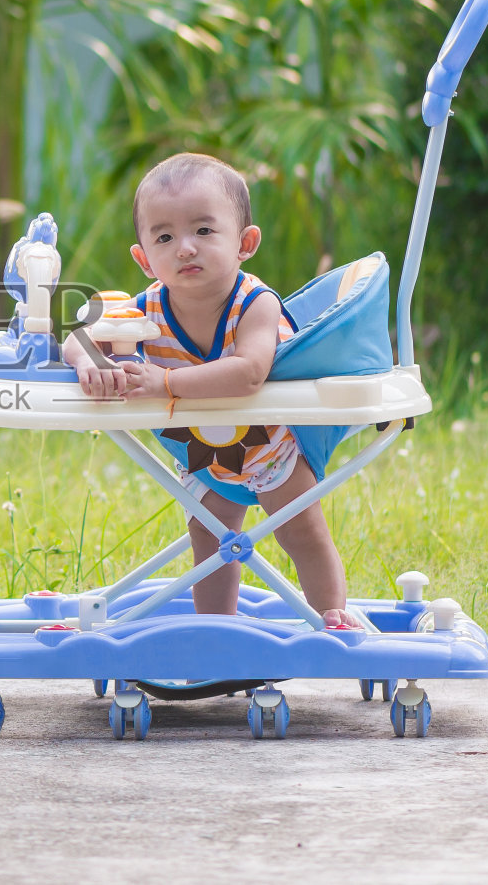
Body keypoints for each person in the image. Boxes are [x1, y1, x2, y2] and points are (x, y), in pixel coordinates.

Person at [62, 152, 361, 628]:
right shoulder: (147, 308)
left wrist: (166, 384)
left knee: (302, 534)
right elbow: (75, 338)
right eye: (164, 236)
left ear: (245, 242)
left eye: (203, 231)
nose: (184, 248)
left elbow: (249, 372)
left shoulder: (255, 303)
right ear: (143, 258)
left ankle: (332, 619)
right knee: (210, 538)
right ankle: (216, 632)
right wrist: (91, 362)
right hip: (204, 453)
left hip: (272, 450)